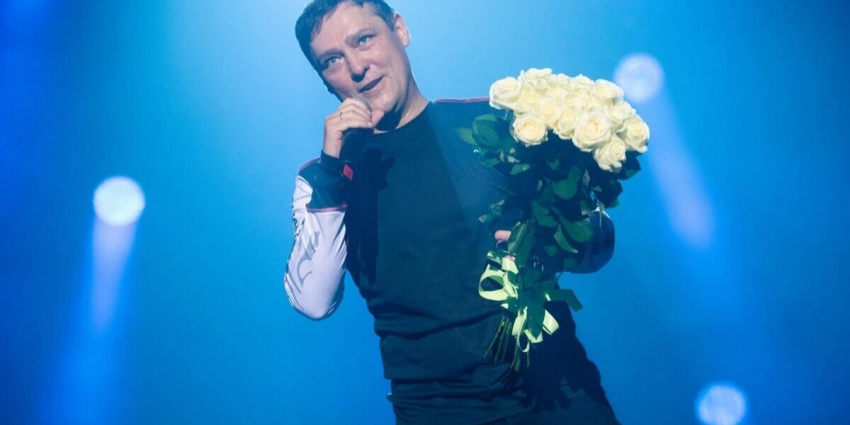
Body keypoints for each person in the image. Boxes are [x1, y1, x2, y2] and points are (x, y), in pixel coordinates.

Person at [285, 1, 621, 424]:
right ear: (323, 79)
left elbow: (600, 241)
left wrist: (553, 245)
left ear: (400, 30)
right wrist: (334, 171)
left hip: (561, 396)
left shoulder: (493, 124)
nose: (356, 67)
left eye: (364, 39)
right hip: (437, 411)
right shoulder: (325, 178)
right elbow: (314, 302)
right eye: (332, 60)